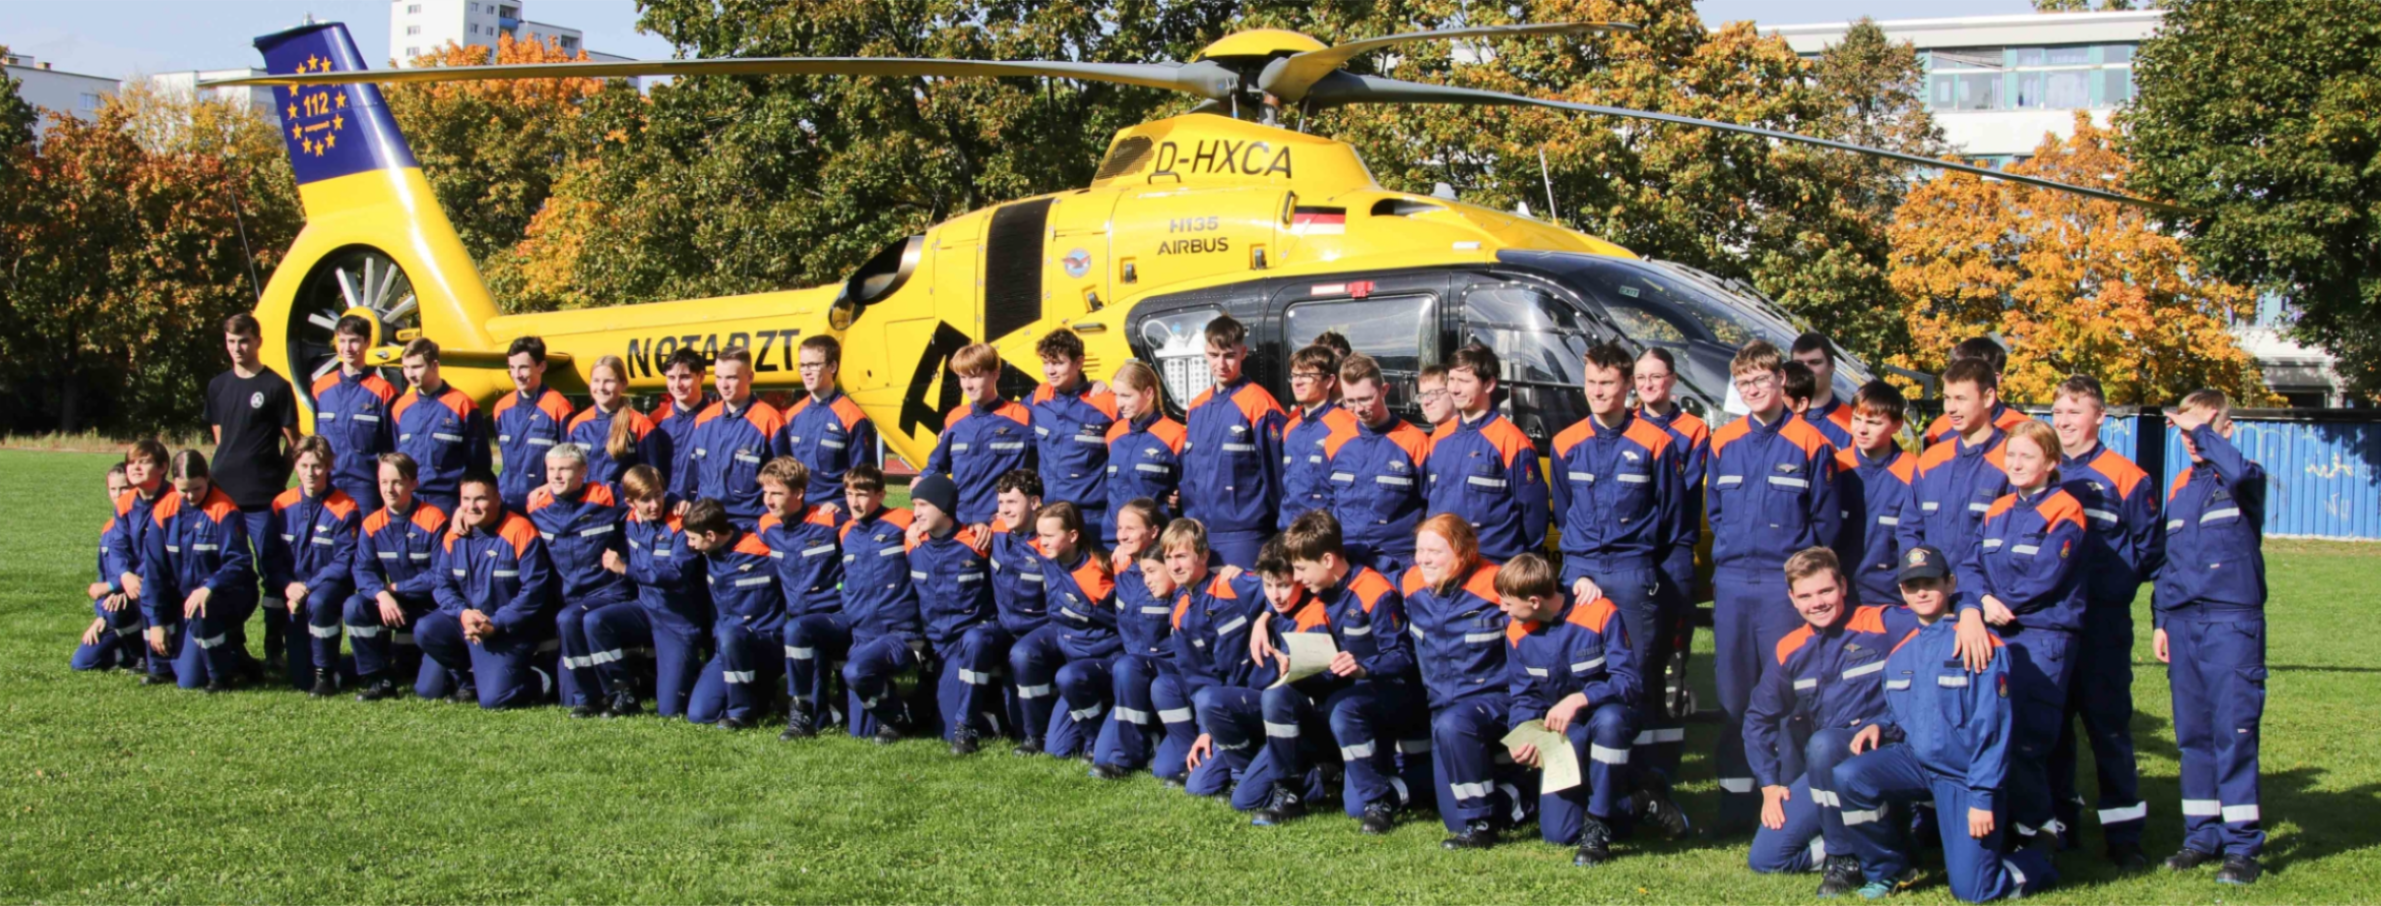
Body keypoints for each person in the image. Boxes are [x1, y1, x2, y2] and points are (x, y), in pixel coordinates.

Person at [1832, 545, 2058, 901]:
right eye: (1911, 585)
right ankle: (1887, 871)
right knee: (1851, 775)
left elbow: (1993, 730)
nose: (1921, 591)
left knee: (1973, 892)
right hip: (1919, 762)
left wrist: (1982, 798)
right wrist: (1881, 724)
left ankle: (2037, 858)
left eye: (1930, 582)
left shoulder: (1979, 643)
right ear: (1901, 592)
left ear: (1950, 583)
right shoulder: (1902, 652)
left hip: (1965, 775)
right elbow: (1905, 710)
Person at [1706, 339, 1842, 829]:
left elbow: (1825, 525)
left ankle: (1789, 804)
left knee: (1787, 696)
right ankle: (1737, 802)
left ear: (1783, 381)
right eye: (1744, 383)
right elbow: (1716, 513)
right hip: (1735, 584)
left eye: (1761, 380)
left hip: (1782, 588)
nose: (1753, 389)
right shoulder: (1723, 441)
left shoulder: (1812, 442)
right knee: (1735, 696)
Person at [1744, 548, 1920, 893]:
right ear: (1793, 600)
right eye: (1806, 596)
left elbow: (1935, 618)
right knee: (1767, 859)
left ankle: (1845, 859)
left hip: (1886, 756)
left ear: (1842, 586)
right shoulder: (1791, 648)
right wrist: (1768, 784)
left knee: (1823, 743)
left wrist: (1972, 614)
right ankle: (1865, 843)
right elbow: (1757, 718)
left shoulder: (1882, 622)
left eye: (1825, 591)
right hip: (1826, 767)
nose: (1818, 603)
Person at [1949, 418, 2086, 853]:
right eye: (2011, 456)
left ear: (2051, 461)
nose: (2017, 463)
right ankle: (2008, 831)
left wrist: (1997, 601)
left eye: (2027, 456)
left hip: (2042, 636)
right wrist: (1981, 600)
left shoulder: (2065, 509)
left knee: (2029, 738)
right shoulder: (1998, 509)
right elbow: (1969, 563)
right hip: (1996, 628)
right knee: (1994, 732)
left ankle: (2044, 836)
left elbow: (2048, 574)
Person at [1551, 342, 1685, 772]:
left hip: (1633, 571)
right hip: (1580, 569)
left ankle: (1645, 783)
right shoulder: (1566, 442)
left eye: (1607, 383)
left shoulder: (1656, 443)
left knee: (1638, 677)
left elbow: (1671, 515)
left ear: (1628, 385)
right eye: (1590, 382)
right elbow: (1562, 507)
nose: (1597, 391)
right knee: (1577, 669)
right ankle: (1580, 776)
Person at [2155, 390, 2267, 885]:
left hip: (2230, 623)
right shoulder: (2182, 486)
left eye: (2201, 429)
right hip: (2183, 624)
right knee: (2194, 736)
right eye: (2183, 432)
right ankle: (2201, 835)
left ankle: (2243, 845)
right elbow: (2168, 560)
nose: (2190, 440)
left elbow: (2240, 472)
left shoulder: (2244, 478)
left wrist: (2197, 428)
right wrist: (2161, 619)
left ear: (2226, 428)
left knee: (2233, 732)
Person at [2046, 375, 2159, 869]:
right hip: (2049, 624)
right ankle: (2060, 824)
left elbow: (2151, 553)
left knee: (2108, 729)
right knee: (2052, 732)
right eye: (2058, 411)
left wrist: (2115, 591)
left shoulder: (2127, 476)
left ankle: (2124, 836)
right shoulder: (2041, 471)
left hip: (2102, 627)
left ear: (2098, 417)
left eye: (2074, 411)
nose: (2064, 421)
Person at [1244, 510, 1414, 829]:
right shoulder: (1318, 591)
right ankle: (1289, 795)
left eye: (1300, 568)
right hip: (1335, 692)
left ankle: (1379, 801)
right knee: (1277, 696)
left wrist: (1365, 667)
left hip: (1380, 694)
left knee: (1343, 713)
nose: (1296, 577)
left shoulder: (1374, 591)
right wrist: (1291, 661)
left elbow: (1403, 657)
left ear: (1327, 560)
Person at [1500, 552, 1643, 865]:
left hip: (1608, 716)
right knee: (1559, 833)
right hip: (1565, 734)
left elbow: (1630, 683)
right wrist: (1523, 733)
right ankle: (1640, 800)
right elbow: (1523, 697)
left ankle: (1599, 827)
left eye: (1508, 603)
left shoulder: (1599, 611)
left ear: (1535, 601)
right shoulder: (1515, 632)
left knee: (1610, 720)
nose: (1502, 609)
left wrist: (1581, 699)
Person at [1400, 516, 1517, 843]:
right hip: (1443, 714)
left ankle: (1481, 826)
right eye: (1419, 549)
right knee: (1453, 820)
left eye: (1434, 551)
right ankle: (1517, 793)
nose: (1423, 558)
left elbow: (1545, 606)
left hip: (1495, 703)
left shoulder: (1496, 582)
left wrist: (1584, 582)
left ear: (1463, 551)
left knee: (1455, 726)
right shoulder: (1411, 583)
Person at [206, 313, 302, 672]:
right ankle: (234, 644)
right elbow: (221, 437)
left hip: (263, 497)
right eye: (231, 342)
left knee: (271, 569)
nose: (237, 348)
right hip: (222, 498)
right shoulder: (218, 385)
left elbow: (294, 444)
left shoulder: (276, 386)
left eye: (243, 340)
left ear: (258, 341)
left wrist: (276, 479)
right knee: (228, 569)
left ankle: (274, 646)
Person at [417, 471, 555, 710]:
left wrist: (497, 623)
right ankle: (469, 678)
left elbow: (533, 591)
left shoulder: (519, 530)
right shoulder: (455, 534)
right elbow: (443, 585)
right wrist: (463, 614)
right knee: (426, 638)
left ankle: (534, 677)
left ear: (497, 498)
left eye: (480, 499)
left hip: (507, 628)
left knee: (494, 701)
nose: (472, 506)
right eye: (466, 499)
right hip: (470, 621)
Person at [1632, 347, 1708, 774]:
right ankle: (1635, 757)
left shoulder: (1694, 430)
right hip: (1634, 552)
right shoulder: (1625, 423)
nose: (1647, 385)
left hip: (1673, 551)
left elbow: (1681, 489)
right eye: (1640, 377)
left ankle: (1668, 764)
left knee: (1671, 658)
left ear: (1673, 379)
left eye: (1655, 376)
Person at [587, 464, 711, 719]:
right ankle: (623, 693)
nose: (655, 504)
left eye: (659, 494)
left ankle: (694, 672)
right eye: (646, 499)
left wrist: (626, 569)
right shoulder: (630, 519)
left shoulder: (680, 521)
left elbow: (676, 574)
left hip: (677, 621)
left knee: (670, 710)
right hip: (645, 609)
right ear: (631, 502)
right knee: (595, 621)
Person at [1187, 538, 1306, 803]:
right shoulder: (1254, 592)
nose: (1275, 594)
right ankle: (1244, 769)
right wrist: (1205, 730)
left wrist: (1295, 665)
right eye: (1269, 586)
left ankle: (1312, 776)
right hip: (1261, 706)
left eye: (1284, 585)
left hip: (1303, 718)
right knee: (1199, 785)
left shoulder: (1314, 608)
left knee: (1245, 801)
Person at [1152, 517, 1264, 790]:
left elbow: (1283, 592)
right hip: (1220, 708)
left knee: (1210, 699)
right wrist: (1206, 730)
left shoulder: (1233, 583)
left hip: (1261, 697)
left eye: (1181, 556)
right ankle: (1214, 756)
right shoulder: (1179, 609)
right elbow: (1198, 677)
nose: (1174, 566)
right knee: (1194, 785)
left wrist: (1265, 618)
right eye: (1168, 558)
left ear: (1203, 555)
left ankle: (1244, 772)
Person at [140, 450, 262, 692]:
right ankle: (161, 666)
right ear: (173, 482)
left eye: (196, 488)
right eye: (183, 489)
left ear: (207, 478)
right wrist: (156, 622)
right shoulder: (163, 511)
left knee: (189, 680)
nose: (190, 495)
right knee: (145, 597)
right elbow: (154, 570)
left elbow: (239, 562)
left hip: (224, 596)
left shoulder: (224, 510)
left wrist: (209, 587)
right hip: (183, 598)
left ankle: (226, 667)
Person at [527, 443, 633, 717]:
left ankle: (620, 693)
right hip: (569, 597)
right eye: (551, 470)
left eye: (564, 469)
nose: (556, 476)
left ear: (583, 471)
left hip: (609, 591)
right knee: (566, 697)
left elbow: (646, 496)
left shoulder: (607, 496)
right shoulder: (535, 502)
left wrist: (676, 502)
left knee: (571, 619)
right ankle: (588, 697)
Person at [898, 473, 1001, 749]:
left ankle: (988, 718)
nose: (915, 513)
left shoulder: (978, 542)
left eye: (922, 505)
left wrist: (985, 525)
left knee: (948, 732)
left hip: (966, 642)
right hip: (933, 644)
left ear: (943, 507)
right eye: (914, 505)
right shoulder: (913, 542)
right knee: (921, 721)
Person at [823, 464, 924, 742]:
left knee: (857, 672)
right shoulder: (846, 532)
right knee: (860, 733)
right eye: (849, 493)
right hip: (862, 634)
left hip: (899, 633)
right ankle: (897, 710)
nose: (854, 502)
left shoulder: (903, 520)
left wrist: (918, 524)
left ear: (880, 494)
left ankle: (897, 717)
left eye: (863, 494)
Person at [1426, 343, 1550, 563]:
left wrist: (1522, 565)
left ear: (1490, 383)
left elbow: (1534, 514)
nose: (1454, 389)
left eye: (1464, 381)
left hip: (1491, 566)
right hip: (1443, 564)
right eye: (1451, 380)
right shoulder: (1438, 439)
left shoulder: (1511, 442)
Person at [1181, 315, 1287, 568]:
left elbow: (1278, 478)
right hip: (1197, 534)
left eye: (1229, 355)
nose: (1221, 364)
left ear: (1243, 353)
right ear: (1205, 353)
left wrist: (1282, 534)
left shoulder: (1260, 405)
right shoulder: (1196, 407)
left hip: (1245, 537)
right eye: (1213, 354)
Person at [345, 452, 450, 703]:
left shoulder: (434, 519)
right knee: (355, 606)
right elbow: (362, 570)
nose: (389, 489)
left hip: (432, 608)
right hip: (394, 603)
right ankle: (378, 679)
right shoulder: (372, 523)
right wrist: (381, 594)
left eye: (397, 482)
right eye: (384, 482)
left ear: (414, 483)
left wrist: (393, 588)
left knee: (430, 690)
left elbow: (439, 574)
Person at [266, 436, 363, 696]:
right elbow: (270, 556)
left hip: (326, 589)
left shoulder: (346, 507)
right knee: (300, 678)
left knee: (319, 602)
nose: (310, 473)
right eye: (304, 465)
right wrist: (288, 586)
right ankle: (349, 666)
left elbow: (344, 561)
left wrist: (307, 587)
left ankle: (326, 676)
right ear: (296, 465)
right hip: (292, 592)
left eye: (317, 466)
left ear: (330, 465)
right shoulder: (281, 504)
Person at [756, 458, 845, 728]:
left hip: (836, 616)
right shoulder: (765, 526)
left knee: (860, 720)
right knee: (821, 718)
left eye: (776, 493)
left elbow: (870, 531)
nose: (768, 501)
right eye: (765, 492)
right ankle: (811, 712)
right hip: (801, 621)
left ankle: (811, 711)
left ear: (798, 493)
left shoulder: (831, 520)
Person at [1091, 499, 1175, 777]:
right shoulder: (1121, 566)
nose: (1122, 535)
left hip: (1167, 670)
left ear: (1153, 532)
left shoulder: (1171, 565)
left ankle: (1129, 756)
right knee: (1100, 755)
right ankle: (1142, 741)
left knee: (1166, 770)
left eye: (1130, 528)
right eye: (1119, 528)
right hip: (1133, 674)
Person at [680, 497, 782, 728]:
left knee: (731, 636)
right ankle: (757, 695)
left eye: (693, 539)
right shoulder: (708, 555)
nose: (690, 545)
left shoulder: (762, 548)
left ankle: (741, 714)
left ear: (711, 536)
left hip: (766, 642)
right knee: (700, 714)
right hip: (726, 649)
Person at [1327, 354, 1431, 575]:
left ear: (1384, 390)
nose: (1358, 409)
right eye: (1350, 401)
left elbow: (1433, 509)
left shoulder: (1415, 443)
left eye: (1366, 399)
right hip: (1347, 559)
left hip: (1398, 561)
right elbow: (1326, 502)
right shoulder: (1335, 441)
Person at [1038, 501, 1124, 765]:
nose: (1042, 542)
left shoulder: (1095, 576)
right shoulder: (1049, 556)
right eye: (1040, 535)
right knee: (1056, 750)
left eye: (1049, 536)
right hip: (1072, 657)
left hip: (1102, 659)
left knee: (1068, 677)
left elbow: (1122, 624)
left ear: (1073, 536)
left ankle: (1095, 737)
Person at [982, 470, 1056, 755]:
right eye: (1001, 503)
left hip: (1042, 629)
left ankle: (1035, 735)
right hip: (1006, 626)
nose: (1004, 510)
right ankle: (969, 726)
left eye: (1012, 502)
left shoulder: (1049, 540)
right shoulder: (998, 530)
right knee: (974, 640)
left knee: (1023, 654)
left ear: (1035, 502)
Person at [1913, 358, 2012, 566]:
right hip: (1932, 590)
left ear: (1987, 398)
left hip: (1983, 594)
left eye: (1960, 398)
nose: (1950, 408)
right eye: (1947, 398)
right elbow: (1909, 529)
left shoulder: (2012, 460)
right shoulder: (1930, 460)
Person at [923, 343, 1034, 527]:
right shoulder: (955, 418)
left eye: (974, 377)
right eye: (962, 377)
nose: (967, 385)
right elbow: (936, 467)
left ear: (995, 374)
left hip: (1001, 527)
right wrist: (920, 486)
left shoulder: (1022, 418)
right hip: (960, 527)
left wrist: (1094, 386)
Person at [1832, 380, 1922, 606]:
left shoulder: (1913, 473)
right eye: (1856, 419)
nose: (1861, 429)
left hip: (1890, 597)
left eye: (1873, 422)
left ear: (1897, 425)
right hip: (1838, 593)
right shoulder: (1836, 466)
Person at [685, 347, 789, 530]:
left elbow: (784, 483)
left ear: (750, 377)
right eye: (719, 377)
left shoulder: (769, 421)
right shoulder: (703, 420)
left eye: (731, 378)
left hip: (749, 528)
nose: (723, 385)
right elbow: (691, 476)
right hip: (705, 527)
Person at [1028, 328, 1119, 531]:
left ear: (1078, 363)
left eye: (1058, 363)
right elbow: (1005, 420)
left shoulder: (1106, 403)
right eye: (1046, 363)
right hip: (1048, 514)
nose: (1050, 370)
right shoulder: (1040, 397)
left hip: (1092, 519)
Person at [394, 338, 493, 514]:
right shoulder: (401, 407)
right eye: (406, 367)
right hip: (409, 499)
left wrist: (467, 505)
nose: (410, 374)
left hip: (448, 502)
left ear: (434, 365)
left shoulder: (463, 405)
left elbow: (479, 465)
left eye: (416, 367)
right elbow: (392, 457)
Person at [312, 315, 398, 510]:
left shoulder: (384, 391)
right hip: (328, 483)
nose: (348, 348)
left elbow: (391, 448)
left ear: (367, 343)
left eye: (354, 341)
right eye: (342, 341)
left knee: (365, 540)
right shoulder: (321, 387)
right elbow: (316, 441)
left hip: (366, 486)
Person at [783, 335, 878, 510]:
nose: (806, 371)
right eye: (802, 365)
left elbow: (865, 478)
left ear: (832, 366)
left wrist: (841, 504)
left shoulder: (853, 418)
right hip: (795, 510)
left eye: (813, 365)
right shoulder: (792, 415)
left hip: (833, 512)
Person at [106, 441, 174, 683]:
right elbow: (117, 545)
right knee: (113, 608)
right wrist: (124, 575)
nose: (134, 468)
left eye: (143, 462)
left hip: (171, 582)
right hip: (135, 579)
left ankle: (165, 659)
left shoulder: (176, 499)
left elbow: (171, 552)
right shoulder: (127, 501)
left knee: (189, 675)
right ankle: (142, 655)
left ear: (163, 466)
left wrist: (141, 576)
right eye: (131, 463)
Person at [1101, 361, 1185, 545]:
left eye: (1126, 396)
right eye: (1116, 395)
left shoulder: (1175, 435)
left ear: (1148, 393)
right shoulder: (1114, 433)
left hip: (1156, 543)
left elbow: (1191, 490)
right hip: (1114, 542)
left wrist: (1180, 500)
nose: (1119, 404)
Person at [74, 463, 147, 672]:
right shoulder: (108, 528)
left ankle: (145, 655)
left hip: (140, 604)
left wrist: (118, 587)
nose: (118, 494)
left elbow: (148, 566)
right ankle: (128, 655)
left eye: (123, 488)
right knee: (82, 663)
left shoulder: (147, 523)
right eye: (113, 489)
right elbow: (102, 574)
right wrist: (100, 616)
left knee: (118, 611)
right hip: (112, 609)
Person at [494, 336, 576, 512]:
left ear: (542, 367)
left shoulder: (558, 407)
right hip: (506, 503)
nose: (517, 375)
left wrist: (548, 490)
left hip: (544, 505)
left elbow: (571, 461)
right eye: (512, 368)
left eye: (523, 367)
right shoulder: (501, 408)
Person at [1280, 343, 1357, 529]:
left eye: (1306, 376)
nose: (1297, 382)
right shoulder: (1290, 427)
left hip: (1324, 536)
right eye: (1295, 375)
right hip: (1289, 533)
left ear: (1329, 381)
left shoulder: (1346, 426)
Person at [567, 355, 666, 491]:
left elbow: (652, 478)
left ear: (623, 384)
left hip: (621, 508)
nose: (601, 387)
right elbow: (566, 470)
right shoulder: (577, 424)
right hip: (583, 506)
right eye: (596, 381)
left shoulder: (640, 426)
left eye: (608, 381)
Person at [1923, 338, 2029, 447]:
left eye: (1967, 375)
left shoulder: (2025, 430)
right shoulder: (1939, 429)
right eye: (1954, 374)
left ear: (1995, 379)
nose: (1958, 382)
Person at [652, 347, 712, 492]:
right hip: (661, 508)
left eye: (685, 377)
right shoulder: (655, 420)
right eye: (671, 378)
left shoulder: (715, 420)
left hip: (700, 510)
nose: (677, 385)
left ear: (701, 376)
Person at [1791, 332, 1855, 450]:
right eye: (1798, 364)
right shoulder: (1773, 415)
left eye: (1814, 362)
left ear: (1831, 366)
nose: (1806, 370)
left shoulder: (1853, 424)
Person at [1416, 364, 1456, 432]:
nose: (1426, 402)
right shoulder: (1432, 440)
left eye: (1432, 393)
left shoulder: (1470, 438)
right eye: (1422, 395)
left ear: (1453, 392)